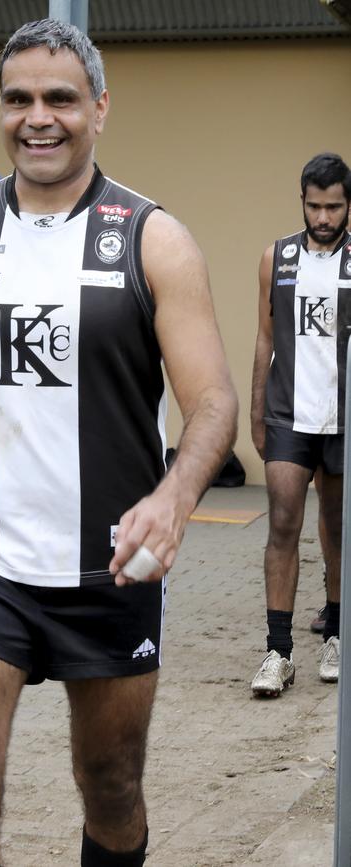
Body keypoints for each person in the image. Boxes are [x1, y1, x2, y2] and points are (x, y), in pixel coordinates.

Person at [0, 18, 237, 867]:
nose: (39, 117)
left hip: (110, 565)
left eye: (60, 98)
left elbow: (212, 402)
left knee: (111, 787)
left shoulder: (152, 238)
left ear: (99, 108)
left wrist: (173, 500)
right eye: (18, 98)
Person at [250, 152, 351, 697]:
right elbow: (265, 339)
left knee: (336, 529)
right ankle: (278, 651)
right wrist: (255, 411)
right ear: (303, 202)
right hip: (289, 414)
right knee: (282, 524)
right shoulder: (277, 257)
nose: (324, 218)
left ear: (348, 205)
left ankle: (336, 633)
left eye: (334, 207)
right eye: (315, 206)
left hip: (343, 418)